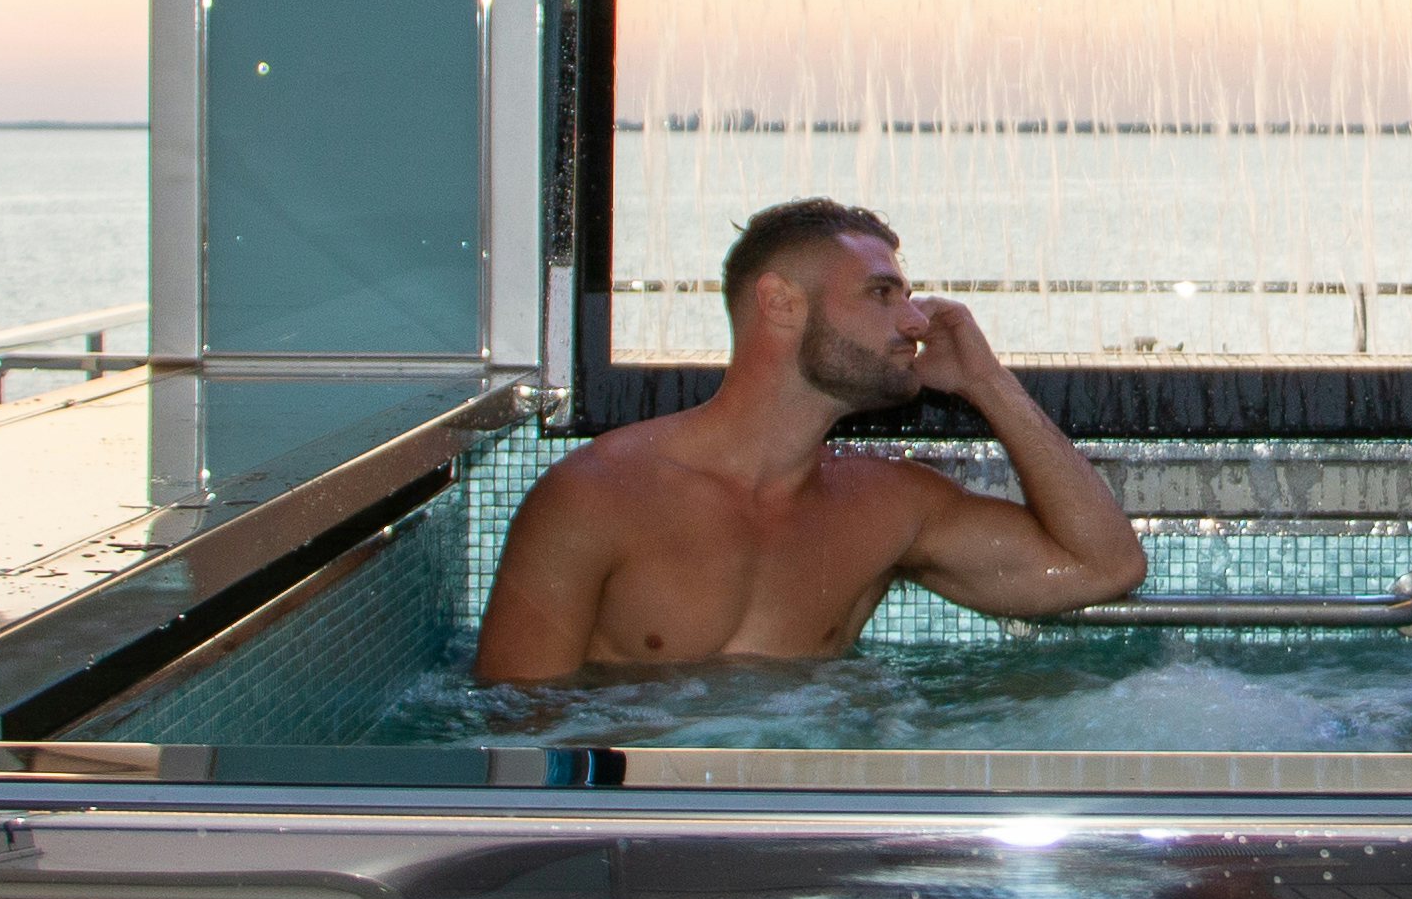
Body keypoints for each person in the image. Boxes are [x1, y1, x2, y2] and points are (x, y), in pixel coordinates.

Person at [472, 198, 1145, 680]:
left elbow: (1104, 568)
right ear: (781, 303)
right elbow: (517, 724)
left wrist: (989, 383)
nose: (915, 320)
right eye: (883, 294)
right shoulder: (597, 496)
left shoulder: (889, 505)